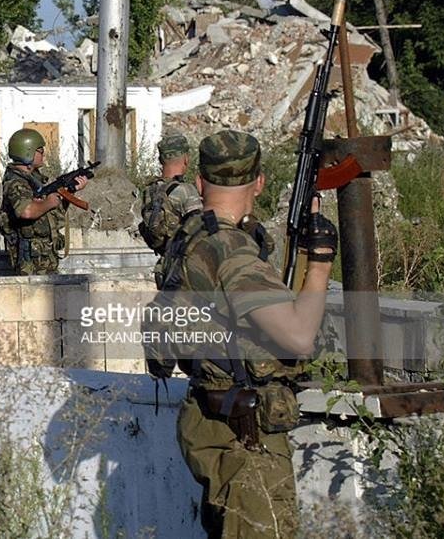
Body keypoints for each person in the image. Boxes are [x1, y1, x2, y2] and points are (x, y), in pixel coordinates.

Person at [157, 130, 336, 538]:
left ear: (199, 183)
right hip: (247, 440)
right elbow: (297, 337)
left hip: (211, 420)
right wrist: (321, 263)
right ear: (259, 182)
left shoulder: (190, 236)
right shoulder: (231, 250)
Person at [0, 128, 88, 275]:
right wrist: (49, 202)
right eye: (40, 150)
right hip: (30, 262)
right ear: (28, 152)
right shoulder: (16, 182)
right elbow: (26, 211)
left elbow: (52, 214)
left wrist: (70, 191)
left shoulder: (34, 180)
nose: (43, 154)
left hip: (44, 256)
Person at [137, 133, 202, 287]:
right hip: (185, 269)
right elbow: (200, 229)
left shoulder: (150, 190)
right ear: (186, 158)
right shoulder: (185, 190)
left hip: (164, 266)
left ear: (161, 160)